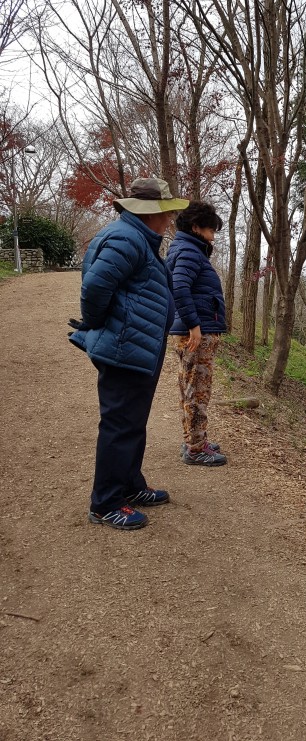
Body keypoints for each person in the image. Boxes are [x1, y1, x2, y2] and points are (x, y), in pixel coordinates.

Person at [69, 177, 189, 530]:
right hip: (124, 348)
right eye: (164, 213)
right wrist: (96, 323)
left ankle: (129, 484)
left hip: (137, 348)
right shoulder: (126, 237)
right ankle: (105, 502)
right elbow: (94, 287)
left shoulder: (137, 237)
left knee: (132, 422)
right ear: (148, 213)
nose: (168, 220)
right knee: (120, 424)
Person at [166, 201, 228, 467]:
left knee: (189, 387)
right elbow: (179, 288)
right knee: (198, 390)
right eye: (210, 230)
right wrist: (195, 326)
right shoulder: (190, 252)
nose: (213, 236)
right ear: (195, 227)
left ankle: (194, 438)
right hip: (196, 332)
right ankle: (195, 448)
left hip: (193, 330)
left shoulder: (186, 250)